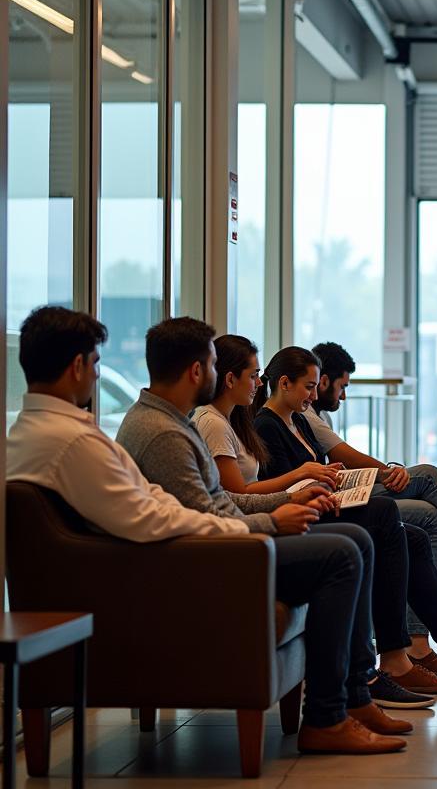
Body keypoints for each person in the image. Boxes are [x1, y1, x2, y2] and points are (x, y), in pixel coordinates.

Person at [6, 306, 403, 756]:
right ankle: (330, 715)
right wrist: (271, 522)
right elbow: (161, 518)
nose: (98, 376)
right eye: (96, 364)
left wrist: (285, 504)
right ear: (77, 366)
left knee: (353, 540)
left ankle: (352, 698)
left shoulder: (48, 431)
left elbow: (163, 502)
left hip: (188, 556)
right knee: (345, 550)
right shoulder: (109, 436)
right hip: (193, 567)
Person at [252, 344, 437, 688]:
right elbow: (287, 489)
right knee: (405, 502)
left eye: (315, 387)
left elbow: (317, 472)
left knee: (413, 533)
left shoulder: (298, 420)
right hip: (314, 513)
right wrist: (327, 478)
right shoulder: (268, 425)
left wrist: (341, 477)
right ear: (284, 383)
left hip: (329, 499)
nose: (314, 395)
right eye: (309, 387)